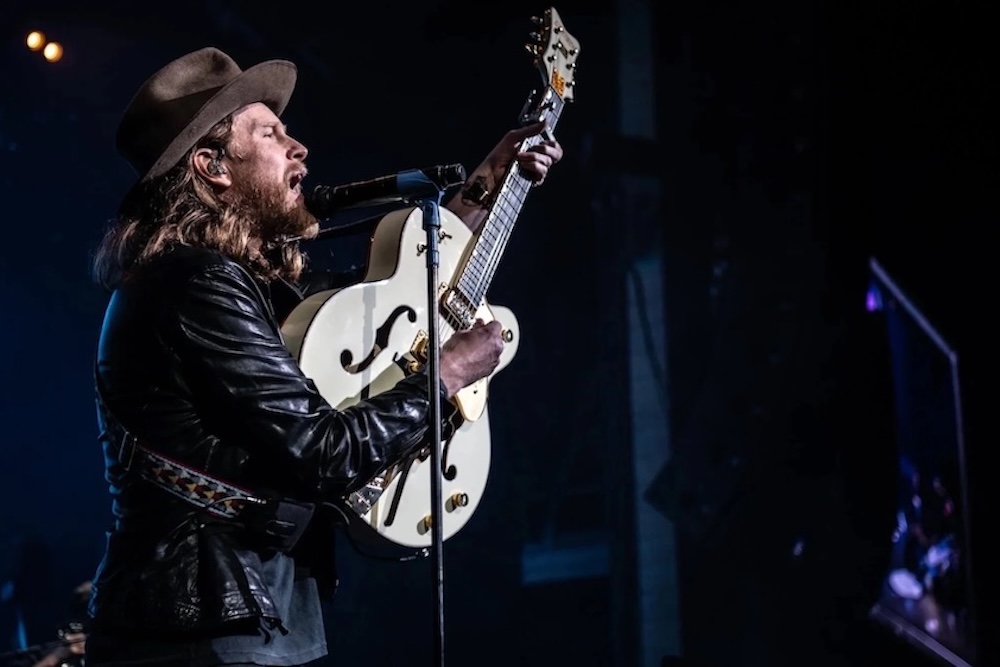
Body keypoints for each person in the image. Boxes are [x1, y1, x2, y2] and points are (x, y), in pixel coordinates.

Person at [83, 46, 562, 667]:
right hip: (200, 624)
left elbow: (402, 309)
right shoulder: (193, 283)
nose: (298, 148)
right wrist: (443, 377)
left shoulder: (245, 287)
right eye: (270, 134)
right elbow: (322, 451)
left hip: (248, 609)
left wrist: (488, 185)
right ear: (212, 166)